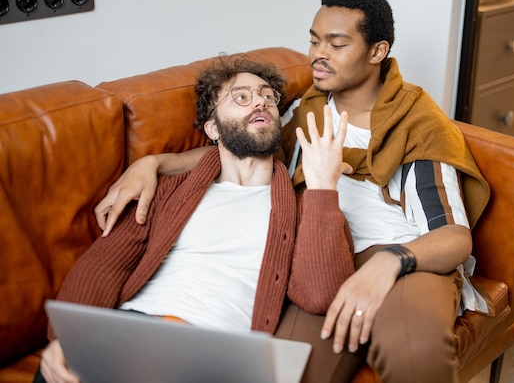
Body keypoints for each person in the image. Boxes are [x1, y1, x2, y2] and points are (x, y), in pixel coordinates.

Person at [95, 0, 492, 383]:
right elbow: (245, 151)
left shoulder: (417, 123)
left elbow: (454, 237)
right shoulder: (308, 110)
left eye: (336, 44)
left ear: (377, 52)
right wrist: (155, 163)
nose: (318, 54)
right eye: (314, 40)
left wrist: (390, 262)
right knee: (285, 372)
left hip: (406, 257)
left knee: (414, 354)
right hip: (320, 256)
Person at [34, 57, 357, 383]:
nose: (261, 100)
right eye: (241, 97)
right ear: (213, 128)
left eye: (268, 96)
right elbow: (103, 265)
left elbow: (320, 295)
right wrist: (65, 340)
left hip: (211, 356)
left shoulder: (307, 207)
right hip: (129, 336)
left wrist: (322, 188)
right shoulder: (168, 190)